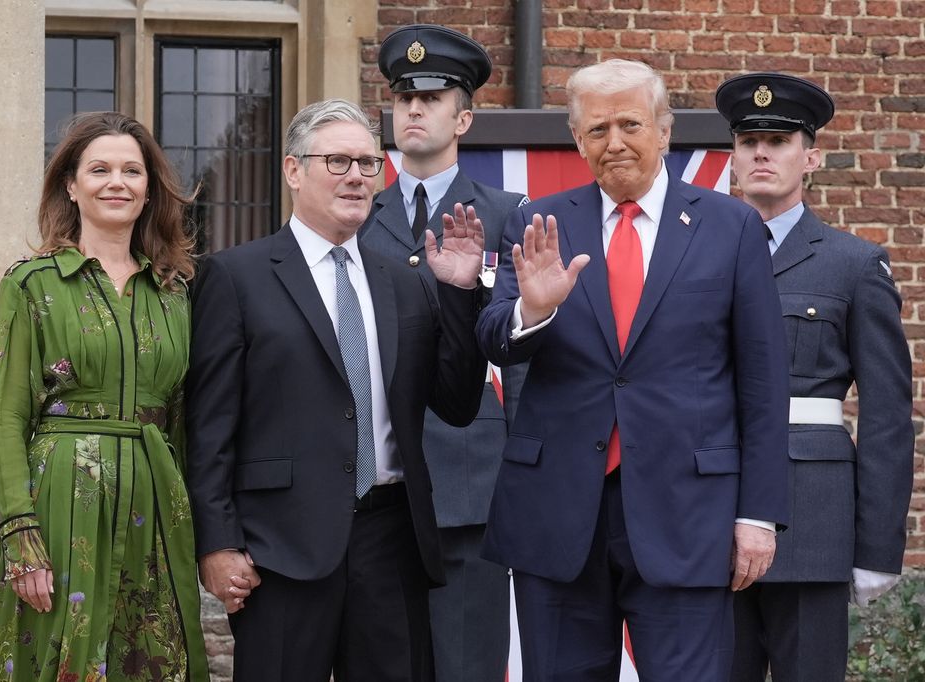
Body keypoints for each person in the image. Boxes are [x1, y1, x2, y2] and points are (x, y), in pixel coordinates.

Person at [475, 59, 792, 681]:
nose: (613, 142)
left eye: (629, 124)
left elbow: (762, 380)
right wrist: (531, 310)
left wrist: (757, 515)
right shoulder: (539, 221)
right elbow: (493, 339)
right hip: (559, 513)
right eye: (597, 130)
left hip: (688, 514)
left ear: (665, 130)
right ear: (577, 140)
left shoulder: (729, 227)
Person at [185, 98, 488, 682]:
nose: (355, 176)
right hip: (280, 546)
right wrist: (216, 543)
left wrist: (457, 293)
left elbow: (456, 403)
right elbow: (209, 428)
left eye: (368, 163)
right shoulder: (236, 276)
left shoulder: (405, 282)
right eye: (337, 161)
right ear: (294, 170)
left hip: (391, 540)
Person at [0, 112, 209, 681]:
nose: (116, 182)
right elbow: (5, 414)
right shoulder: (32, 284)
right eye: (99, 169)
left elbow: (183, 419)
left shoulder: (174, 292)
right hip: (60, 502)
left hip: (153, 504)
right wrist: (19, 530)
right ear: (71, 186)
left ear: (150, 188)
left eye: (132, 170)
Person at [716, 72, 915, 682]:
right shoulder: (693, 256)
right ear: (733, 156)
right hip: (708, 506)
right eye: (749, 140)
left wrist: (877, 548)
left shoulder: (853, 264)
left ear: (812, 157)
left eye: (778, 140)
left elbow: (886, 414)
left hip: (812, 518)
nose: (761, 153)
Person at [360, 24, 528, 682]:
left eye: (431, 99)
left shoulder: (508, 215)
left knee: (466, 664)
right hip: (378, 475)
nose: (414, 111)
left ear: (463, 116)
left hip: (472, 477)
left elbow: (522, 354)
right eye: (403, 100)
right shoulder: (357, 216)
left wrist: (522, 466)